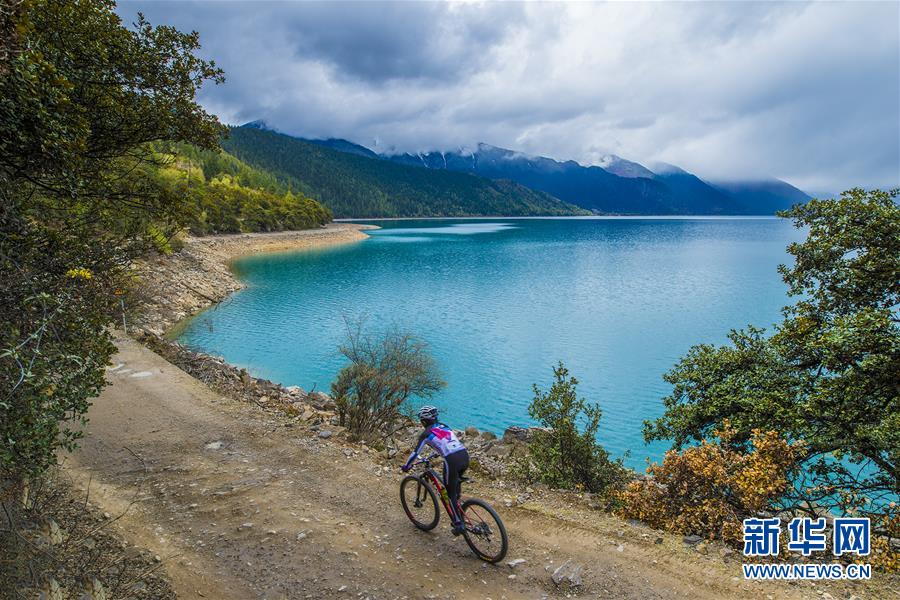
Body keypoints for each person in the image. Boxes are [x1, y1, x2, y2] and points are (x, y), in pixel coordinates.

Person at [401, 405, 470, 535]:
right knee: (455, 488)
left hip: (452, 460)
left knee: (450, 495)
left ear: (423, 421)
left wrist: (406, 466)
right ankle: (459, 509)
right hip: (464, 455)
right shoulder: (444, 426)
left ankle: (458, 524)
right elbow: (447, 442)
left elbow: (415, 454)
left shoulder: (426, 434)